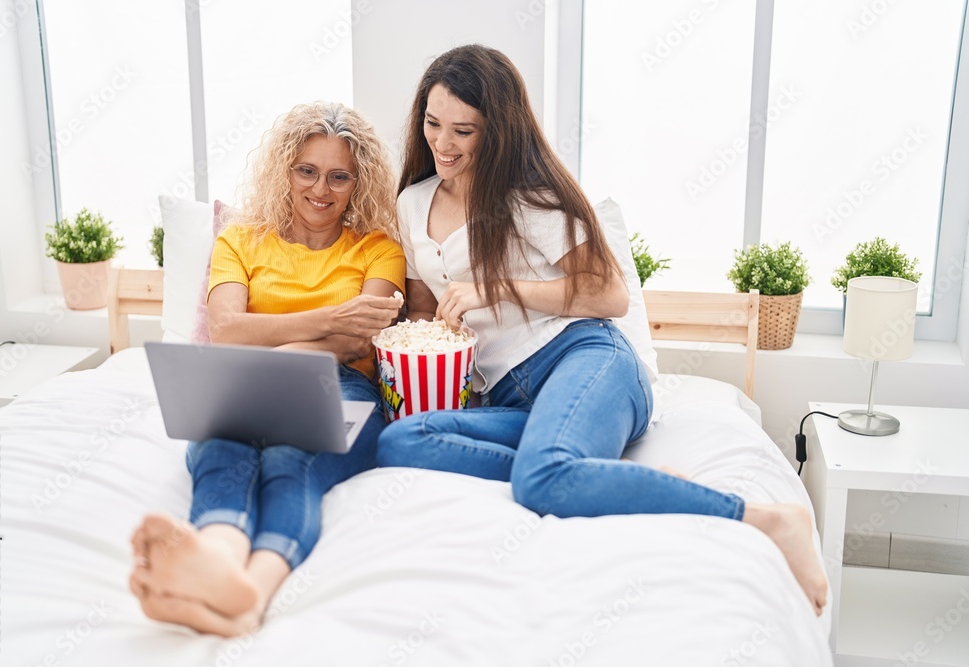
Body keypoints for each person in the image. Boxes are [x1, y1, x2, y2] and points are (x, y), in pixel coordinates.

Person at [376, 44, 827, 615]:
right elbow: (421, 307)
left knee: (541, 482)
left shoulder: (527, 199)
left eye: (463, 130)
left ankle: (764, 518)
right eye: (433, 124)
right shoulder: (412, 205)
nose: (443, 143)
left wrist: (497, 289)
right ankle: (600, 472)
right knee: (400, 440)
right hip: (511, 396)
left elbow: (608, 294)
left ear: (496, 132)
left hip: (585, 359)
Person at [128, 102, 405, 636]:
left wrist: (290, 338)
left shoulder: (379, 249)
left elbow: (358, 340)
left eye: (338, 176)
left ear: (358, 182)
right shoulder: (241, 239)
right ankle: (216, 559)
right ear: (285, 171)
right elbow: (228, 329)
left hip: (343, 385)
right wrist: (330, 317)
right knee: (220, 452)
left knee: (288, 462)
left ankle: (249, 593)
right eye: (307, 170)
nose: (320, 189)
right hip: (244, 375)